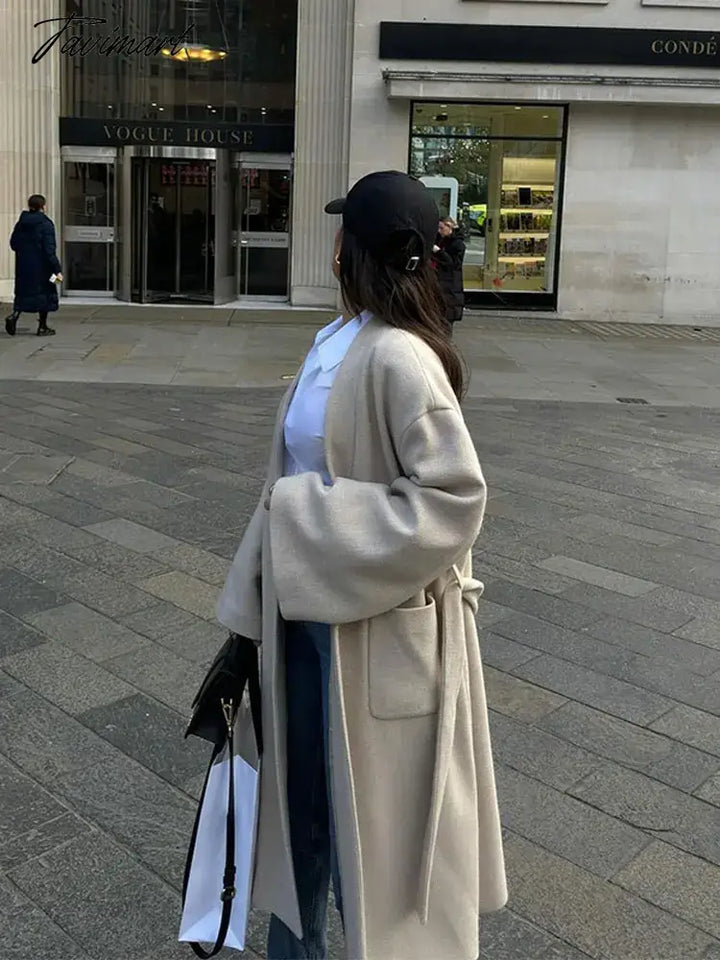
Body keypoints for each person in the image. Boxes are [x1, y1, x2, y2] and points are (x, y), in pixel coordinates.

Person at [216, 170, 507, 960]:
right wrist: (248, 612)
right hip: (302, 622)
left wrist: (306, 514)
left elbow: (454, 497)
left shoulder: (400, 358)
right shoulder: (336, 340)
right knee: (299, 816)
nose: (333, 246)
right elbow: (285, 483)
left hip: (377, 636)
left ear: (355, 251)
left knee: (366, 841)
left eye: (342, 233)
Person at [5, 194, 62, 337]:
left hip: (24, 266)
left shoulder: (21, 223)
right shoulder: (46, 224)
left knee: (23, 294)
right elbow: (49, 250)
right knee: (47, 293)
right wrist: (57, 269)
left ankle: (14, 316)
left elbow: (14, 244)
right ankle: (42, 326)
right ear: (43, 207)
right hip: (43, 268)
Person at [433, 216, 466, 331]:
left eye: (442, 228)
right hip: (439, 282)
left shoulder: (458, 244)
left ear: (449, 227)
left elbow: (454, 264)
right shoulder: (439, 240)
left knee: (446, 321)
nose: (439, 231)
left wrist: (439, 252)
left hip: (450, 286)